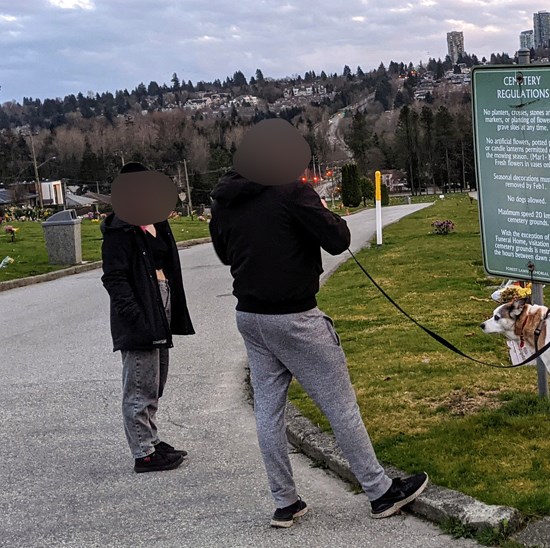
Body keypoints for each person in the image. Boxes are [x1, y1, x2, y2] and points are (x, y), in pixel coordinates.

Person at [209, 142, 428, 529]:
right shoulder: (290, 190)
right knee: (340, 404)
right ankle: (380, 492)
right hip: (295, 316)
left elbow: (225, 254)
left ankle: (285, 502)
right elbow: (339, 239)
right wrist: (322, 214)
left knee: (269, 411)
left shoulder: (226, 198)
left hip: (250, 316)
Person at [101, 162, 195, 473]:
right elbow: (114, 279)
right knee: (139, 384)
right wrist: (135, 316)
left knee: (156, 381)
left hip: (162, 302)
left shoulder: (156, 222)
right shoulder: (119, 229)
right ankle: (143, 453)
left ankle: (151, 439)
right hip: (140, 311)